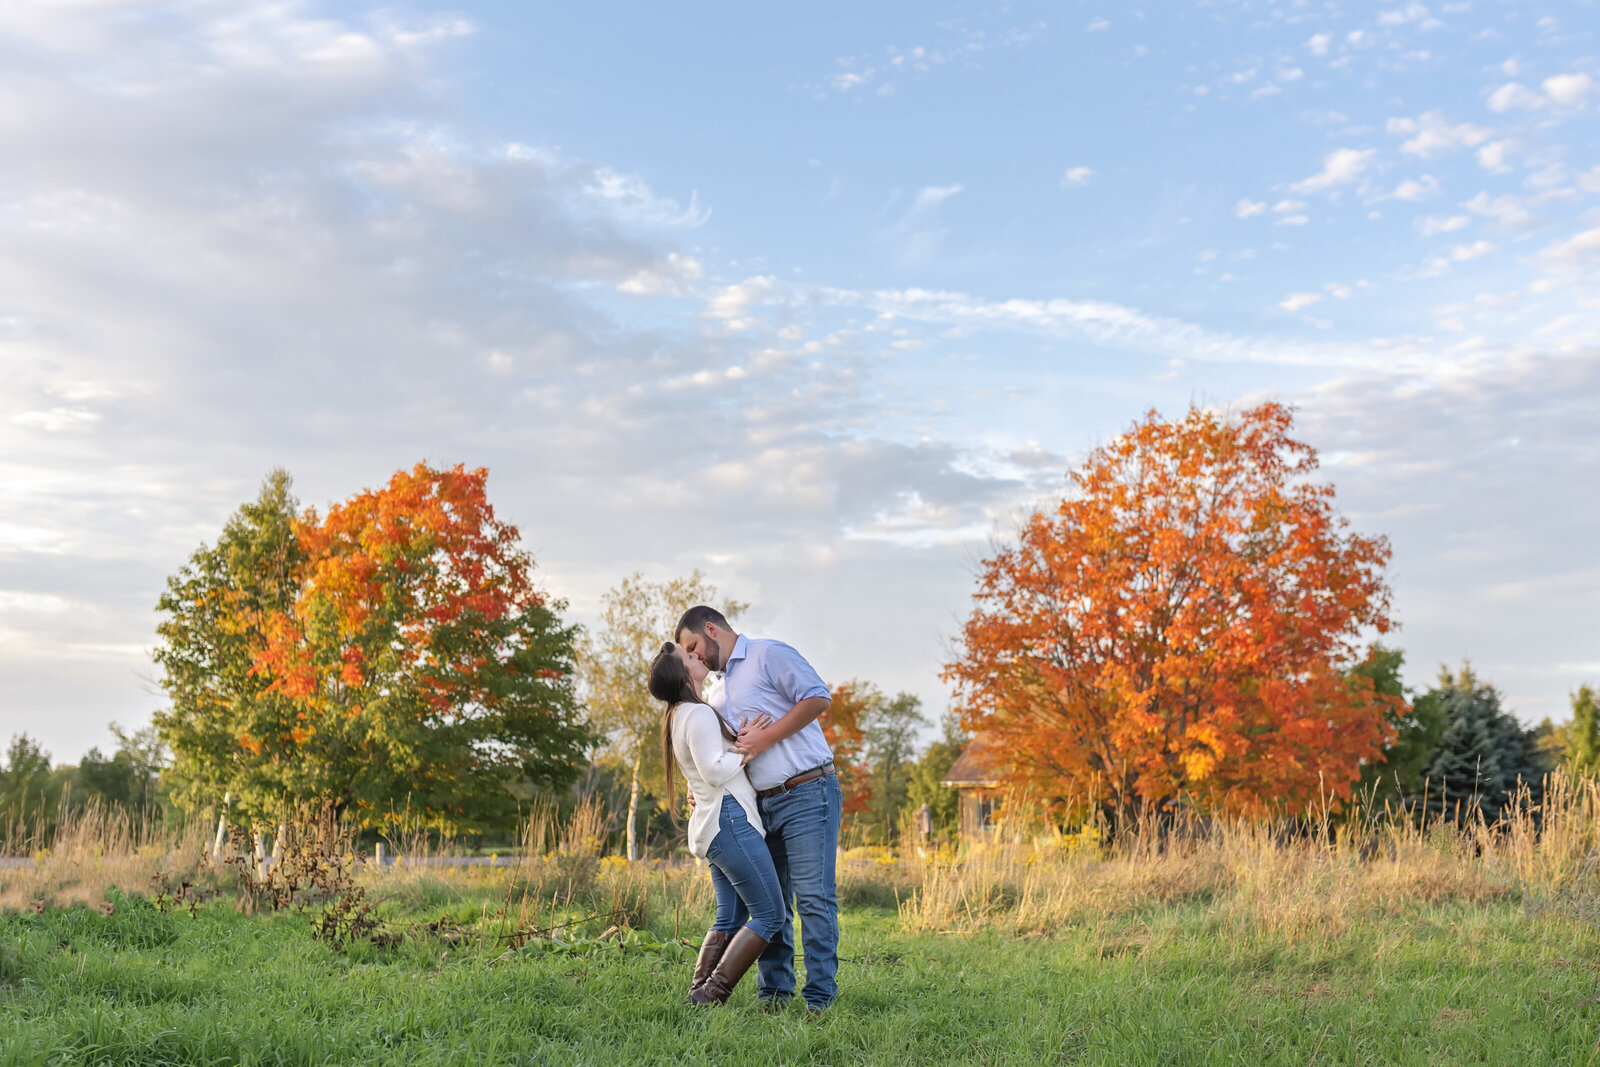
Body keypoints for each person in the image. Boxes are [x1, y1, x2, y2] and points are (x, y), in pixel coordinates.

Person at [674, 605, 839, 1014]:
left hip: (807, 791)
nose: (696, 656)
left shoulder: (768, 654)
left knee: (814, 898)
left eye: (694, 646)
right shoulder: (714, 692)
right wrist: (701, 787)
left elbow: (818, 698)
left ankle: (819, 1000)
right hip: (760, 805)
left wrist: (766, 741)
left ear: (711, 629)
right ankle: (775, 996)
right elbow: (725, 755)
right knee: (774, 902)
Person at [648, 642, 785, 1005]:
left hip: (714, 825)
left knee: (731, 915)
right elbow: (712, 771)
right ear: (683, 674)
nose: (698, 657)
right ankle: (711, 993)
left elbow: (703, 772)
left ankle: (697, 992)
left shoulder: (677, 716)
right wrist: (747, 748)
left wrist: (737, 746)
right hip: (729, 821)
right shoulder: (698, 714)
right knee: (771, 914)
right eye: (689, 657)